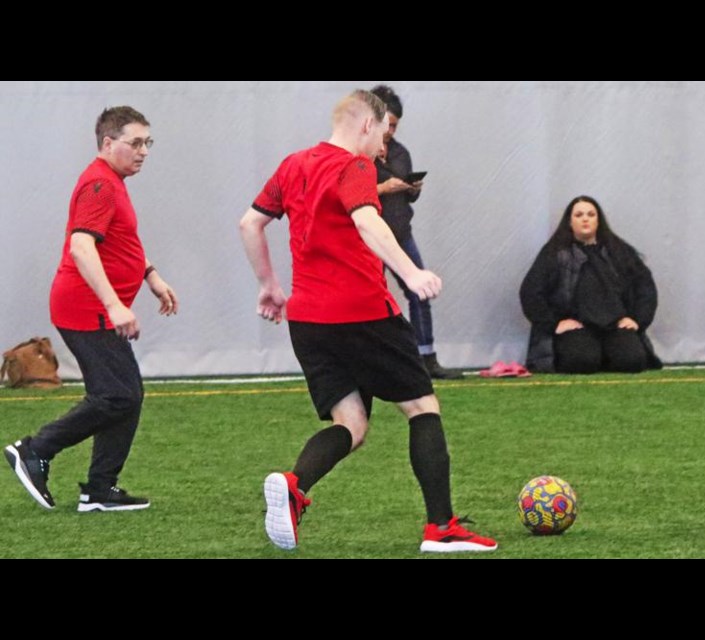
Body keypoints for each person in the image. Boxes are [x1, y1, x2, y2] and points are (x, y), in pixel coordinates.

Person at [239, 90, 496, 553]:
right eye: (383, 133)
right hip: (362, 312)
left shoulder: (293, 164)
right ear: (365, 125)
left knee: (352, 424)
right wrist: (412, 273)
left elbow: (249, 224)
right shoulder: (353, 166)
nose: (384, 148)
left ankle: (295, 485)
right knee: (422, 408)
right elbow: (367, 222)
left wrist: (269, 287)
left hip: (307, 319)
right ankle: (442, 528)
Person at [4, 106, 179, 513]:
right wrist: (115, 304)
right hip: (85, 309)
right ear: (107, 143)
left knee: (125, 394)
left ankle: (100, 489)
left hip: (92, 308)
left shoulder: (113, 183)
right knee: (117, 395)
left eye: (147, 143)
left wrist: (150, 274)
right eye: (135, 143)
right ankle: (34, 451)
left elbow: (119, 241)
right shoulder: (99, 185)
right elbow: (82, 247)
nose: (143, 151)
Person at [369, 85, 461, 380]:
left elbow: (408, 197)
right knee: (371, 298)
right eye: (388, 124)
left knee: (419, 291)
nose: (392, 131)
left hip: (401, 231)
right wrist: (385, 187)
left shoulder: (400, 152)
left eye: (396, 125)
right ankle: (373, 359)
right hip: (371, 236)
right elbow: (349, 195)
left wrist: (411, 188)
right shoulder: (358, 154)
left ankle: (426, 356)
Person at [520, 195, 661, 374]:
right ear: (569, 222)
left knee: (632, 362)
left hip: (615, 325)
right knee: (581, 362)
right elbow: (531, 292)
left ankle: (606, 352)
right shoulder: (554, 253)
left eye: (591, 214)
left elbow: (645, 287)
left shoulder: (619, 251)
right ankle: (592, 354)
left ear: (598, 220)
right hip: (577, 327)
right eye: (578, 215)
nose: (585, 219)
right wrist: (554, 324)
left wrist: (637, 319)